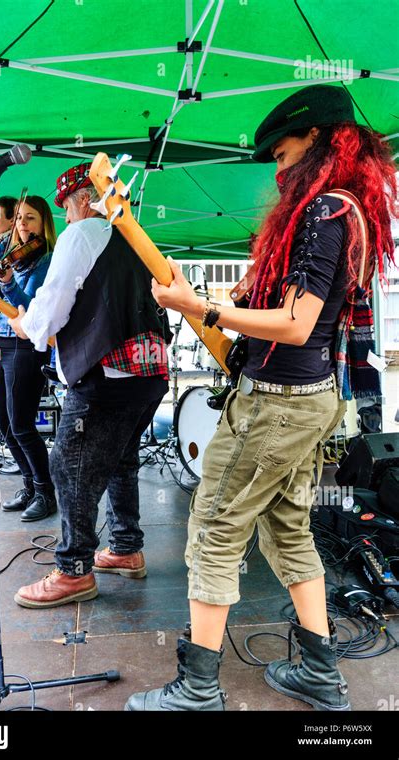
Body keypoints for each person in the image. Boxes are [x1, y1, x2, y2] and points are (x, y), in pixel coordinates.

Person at [125, 84, 397, 711]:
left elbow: (298, 324)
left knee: (215, 530)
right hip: (310, 402)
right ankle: (321, 677)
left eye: (282, 152)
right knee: (287, 532)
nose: (276, 166)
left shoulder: (324, 212)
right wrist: (222, 302)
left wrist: (202, 306)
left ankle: (197, 689)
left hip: (275, 405)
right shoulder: (349, 210)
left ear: (321, 143)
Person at [8, 163, 172, 609]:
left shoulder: (82, 235)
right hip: (152, 373)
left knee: (68, 465)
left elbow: (54, 303)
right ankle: (124, 548)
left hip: (107, 376)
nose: (64, 219)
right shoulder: (137, 238)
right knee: (120, 461)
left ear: (82, 200)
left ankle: (74, 570)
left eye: (64, 209)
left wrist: (30, 326)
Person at [0, 195, 57, 521]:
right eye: (20, 219)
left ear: (44, 225)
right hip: (0, 340)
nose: (23, 225)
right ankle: (29, 485)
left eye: (30, 219)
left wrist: (8, 283)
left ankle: (45, 491)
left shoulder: (46, 260)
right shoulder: (12, 254)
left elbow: (29, 309)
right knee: (3, 423)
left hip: (25, 345)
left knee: (22, 424)